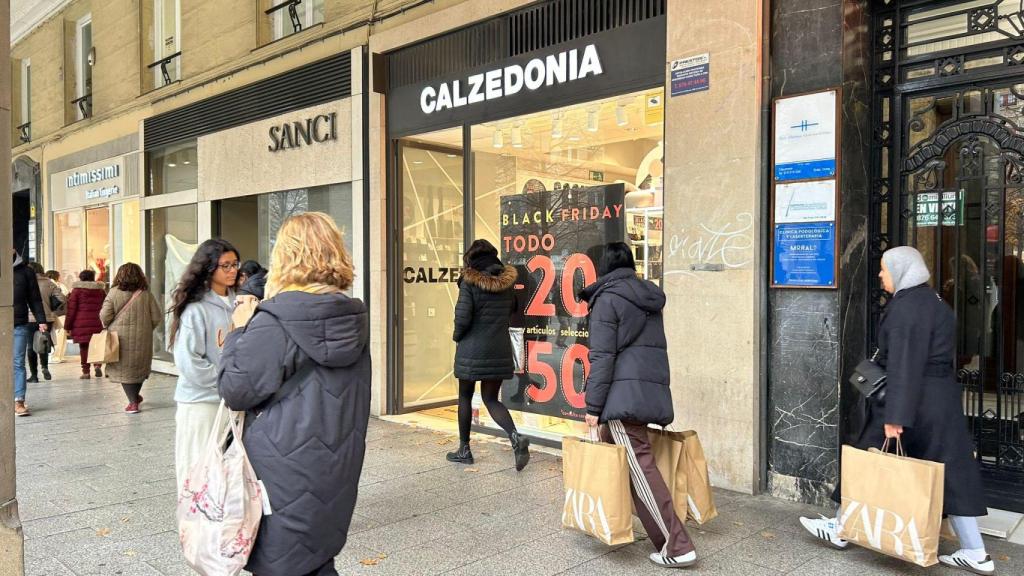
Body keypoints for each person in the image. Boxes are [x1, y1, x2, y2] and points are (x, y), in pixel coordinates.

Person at [799, 246, 993, 575]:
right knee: (951, 472)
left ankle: (841, 527)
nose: (879, 275)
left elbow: (905, 363)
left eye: (884, 269)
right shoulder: (934, 302)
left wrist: (895, 417)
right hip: (938, 402)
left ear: (901, 271)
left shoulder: (907, 308)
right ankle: (975, 551)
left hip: (909, 401)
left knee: (869, 455)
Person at [219, 212, 370, 576]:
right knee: (316, 555)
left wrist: (239, 332)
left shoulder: (275, 320)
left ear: (285, 256)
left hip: (281, 467)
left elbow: (235, 389)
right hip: (335, 463)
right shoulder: (351, 316)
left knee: (283, 560)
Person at [580, 242, 696, 569]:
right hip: (643, 391)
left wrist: (593, 406)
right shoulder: (645, 296)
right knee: (631, 463)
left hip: (622, 397)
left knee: (640, 467)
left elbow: (602, 357)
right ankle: (611, 521)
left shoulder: (608, 299)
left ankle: (677, 544)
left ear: (602, 268)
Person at [447, 239, 530, 471]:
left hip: (472, 348)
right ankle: (515, 437)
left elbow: (462, 317)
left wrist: (457, 336)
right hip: (498, 347)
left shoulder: (469, 282)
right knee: (491, 399)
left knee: (465, 396)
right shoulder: (507, 283)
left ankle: (464, 449)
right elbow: (512, 309)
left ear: (471, 259)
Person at [169, 238, 239, 489]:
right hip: (200, 403)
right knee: (197, 469)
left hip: (232, 402)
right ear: (209, 269)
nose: (233, 270)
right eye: (225, 266)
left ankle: (222, 524)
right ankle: (194, 524)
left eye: (235, 264)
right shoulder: (195, 309)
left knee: (227, 471)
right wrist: (226, 383)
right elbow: (188, 361)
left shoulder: (239, 304)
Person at [100, 263, 163, 414]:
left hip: (119, 338)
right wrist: (146, 328)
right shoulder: (145, 294)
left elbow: (104, 316)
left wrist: (108, 325)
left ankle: (133, 402)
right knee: (138, 368)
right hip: (143, 337)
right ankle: (135, 397)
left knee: (125, 370)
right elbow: (156, 317)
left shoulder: (113, 293)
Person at [13, 250, 48, 416]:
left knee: (18, 362)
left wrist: (41, 320)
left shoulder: (26, 272)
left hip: (18, 323)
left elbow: (34, 298)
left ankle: (19, 400)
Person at [64, 269, 107, 380]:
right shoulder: (101, 291)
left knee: (84, 347)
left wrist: (67, 326)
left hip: (81, 322)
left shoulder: (76, 291)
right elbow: (106, 306)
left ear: (81, 278)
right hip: (97, 322)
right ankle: (97, 365)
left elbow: (71, 310)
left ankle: (86, 372)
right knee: (97, 345)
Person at [26, 262, 65, 383]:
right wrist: (52, 308)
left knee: (31, 346)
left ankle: (34, 375)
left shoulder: (27, 282)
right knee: (43, 342)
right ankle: (44, 367)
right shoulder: (49, 283)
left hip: (30, 318)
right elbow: (62, 298)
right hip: (47, 318)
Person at [46, 270, 70, 364]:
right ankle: (55, 356)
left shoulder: (59, 285)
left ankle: (59, 355)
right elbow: (63, 297)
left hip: (58, 313)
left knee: (60, 335)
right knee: (58, 335)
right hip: (58, 313)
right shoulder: (54, 285)